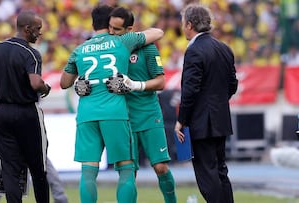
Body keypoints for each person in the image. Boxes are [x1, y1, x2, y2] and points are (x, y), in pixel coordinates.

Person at [60, 4, 163, 203]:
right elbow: (157, 33)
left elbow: (64, 83)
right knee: (126, 168)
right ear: (110, 24)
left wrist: (79, 80)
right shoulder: (123, 41)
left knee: (88, 171)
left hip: (87, 114)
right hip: (115, 112)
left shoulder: (79, 49)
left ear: (92, 23)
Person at [0, 10, 51, 203]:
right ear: (27, 29)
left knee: (9, 170)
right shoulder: (31, 53)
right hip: (27, 112)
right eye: (38, 29)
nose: (40, 33)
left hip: (2, 112)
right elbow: (35, 83)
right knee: (38, 168)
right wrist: (46, 87)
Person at [107, 7, 177, 203]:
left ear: (130, 30)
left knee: (161, 167)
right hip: (123, 118)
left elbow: (161, 82)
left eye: (117, 30)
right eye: (110, 28)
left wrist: (136, 85)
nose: (112, 33)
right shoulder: (108, 51)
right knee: (128, 173)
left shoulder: (148, 48)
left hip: (148, 113)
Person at [174, 4, 238, 203]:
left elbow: (190, 90)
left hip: (202, 123)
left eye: (183, 23)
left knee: (207, 175)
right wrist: (217, 104)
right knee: (220, 171)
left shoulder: (194, 51)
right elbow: (233, 85)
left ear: (190, 24)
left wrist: (181, 120)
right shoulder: (224, 48)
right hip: (220, 119)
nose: (183, 27)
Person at [0, 159, 68, 203]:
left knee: (4, 176)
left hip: (29, 141)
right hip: (18, 142)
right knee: (3, 178)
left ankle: (61, 200)